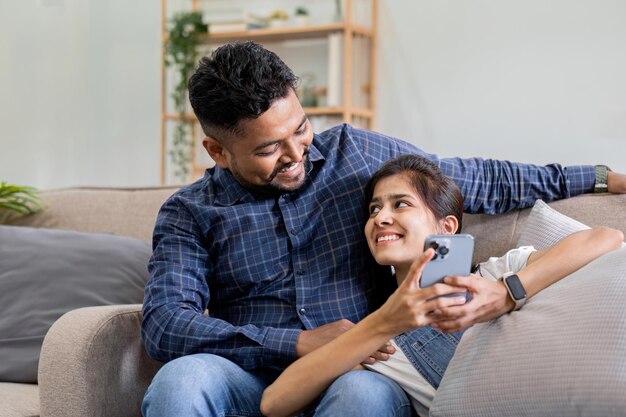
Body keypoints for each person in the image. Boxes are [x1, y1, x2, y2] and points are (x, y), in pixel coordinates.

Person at [140, 40, 626, 417]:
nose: (296, 154)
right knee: (183, 380)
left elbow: (483, 177)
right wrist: (292, 343)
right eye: (270, 149)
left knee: (361, 391)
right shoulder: (190, 212)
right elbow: (165, 324)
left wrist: (605, 178)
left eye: (301, 129)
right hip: (252, 380)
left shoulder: (357, 155)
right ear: (218, 152)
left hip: (365, 372)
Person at [260, 154, 624, 417]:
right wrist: (380, 325)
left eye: (400, 204)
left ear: (447, 227)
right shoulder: (379, 338)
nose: (381, 217)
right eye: (373, 210)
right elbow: (274, 402)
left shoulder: (497, 272)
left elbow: (604, 239)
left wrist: (505, 292)